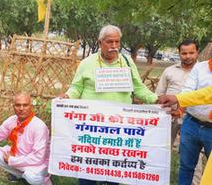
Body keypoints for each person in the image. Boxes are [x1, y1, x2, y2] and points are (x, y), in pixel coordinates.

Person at [62, 25, 158, 185]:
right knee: (89, 168)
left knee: (115, 168)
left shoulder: (126, 62)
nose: (114, 46)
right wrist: (66, 96)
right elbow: (76, 88)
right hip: (92, 126)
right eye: (109, 42)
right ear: (100, 43)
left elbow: (139, 88)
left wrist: (156, 99)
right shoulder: (87, 63)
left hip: (119, 126)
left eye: (117, 42)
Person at [155, 40, 202, 185]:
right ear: (179, 53)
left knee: (194, 158)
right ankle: (157, 179)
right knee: (160, 150)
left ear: (197, 53)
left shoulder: (204, 71)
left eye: (191, 52)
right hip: (168, 117)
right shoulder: (169, 71)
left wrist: (182, 110)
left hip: (193, 120)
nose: (188, 56)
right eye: (184, 53)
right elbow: (159, 94)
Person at [169, 54, 212, 185]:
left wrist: (177, 99)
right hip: (191, 123)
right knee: (186, 166)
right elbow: (188, 90)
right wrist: (180, 108)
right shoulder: (200, 67)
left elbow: (206, 94)